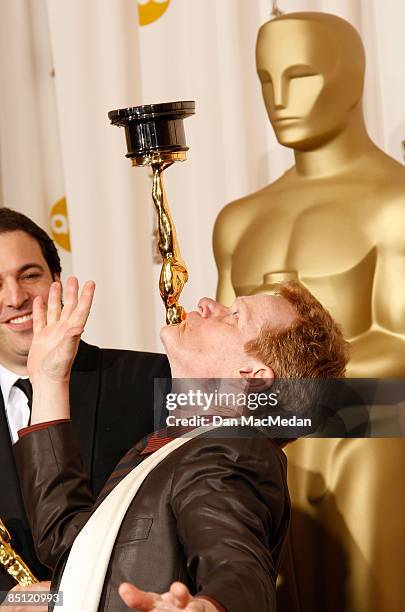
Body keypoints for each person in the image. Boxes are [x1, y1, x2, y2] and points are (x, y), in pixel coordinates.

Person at [11, 277, 348, 611]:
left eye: (233, 316)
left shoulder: (234, 451)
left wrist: (210, 607)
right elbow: (69, 542)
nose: (206, 304)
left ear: (251, 375)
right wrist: (49, 380)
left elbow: (240, 570)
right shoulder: (161, 448)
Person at [0, 208, 170, 602]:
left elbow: (295, 408)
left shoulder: (148, 378)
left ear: (56, 279)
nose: (15, 298)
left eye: (30, 275)